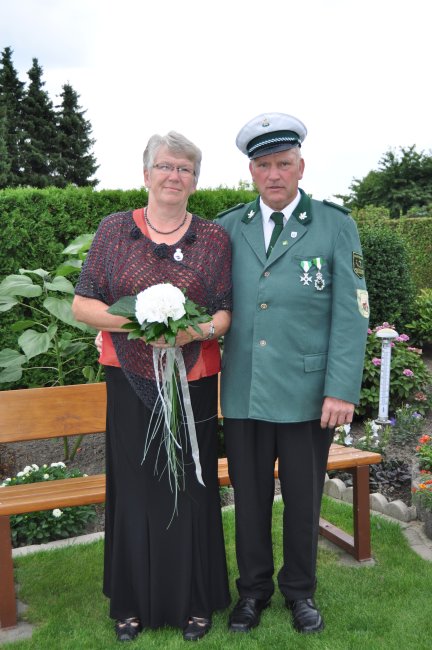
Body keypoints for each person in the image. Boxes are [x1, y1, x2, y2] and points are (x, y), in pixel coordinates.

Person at [72, 131, 232, 642]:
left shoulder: (213, 239)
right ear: (146, 174)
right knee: (136, 486)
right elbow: (83, 304)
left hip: (193, 380)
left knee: (191, 485)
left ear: (194, 181)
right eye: (165, 166)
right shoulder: (114, 230)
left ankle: (195, 601)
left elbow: (224, 312)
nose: (174, 176)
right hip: (128, 379)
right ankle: (131, 604)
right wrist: (141, 323)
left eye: (184, 169)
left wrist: (194, 331)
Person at [216, 112, 369, 635]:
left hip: (308, 392)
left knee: (303, 500)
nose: (274, 174)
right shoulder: (228, 227)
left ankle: (300, 592)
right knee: (249, 498)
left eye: (283, 163)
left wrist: (341, 388)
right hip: (245, 390)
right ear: (251, 172)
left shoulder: (334, 224)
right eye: (263, 165)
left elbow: (352, 313)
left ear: (301, 167)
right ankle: (252, 592)